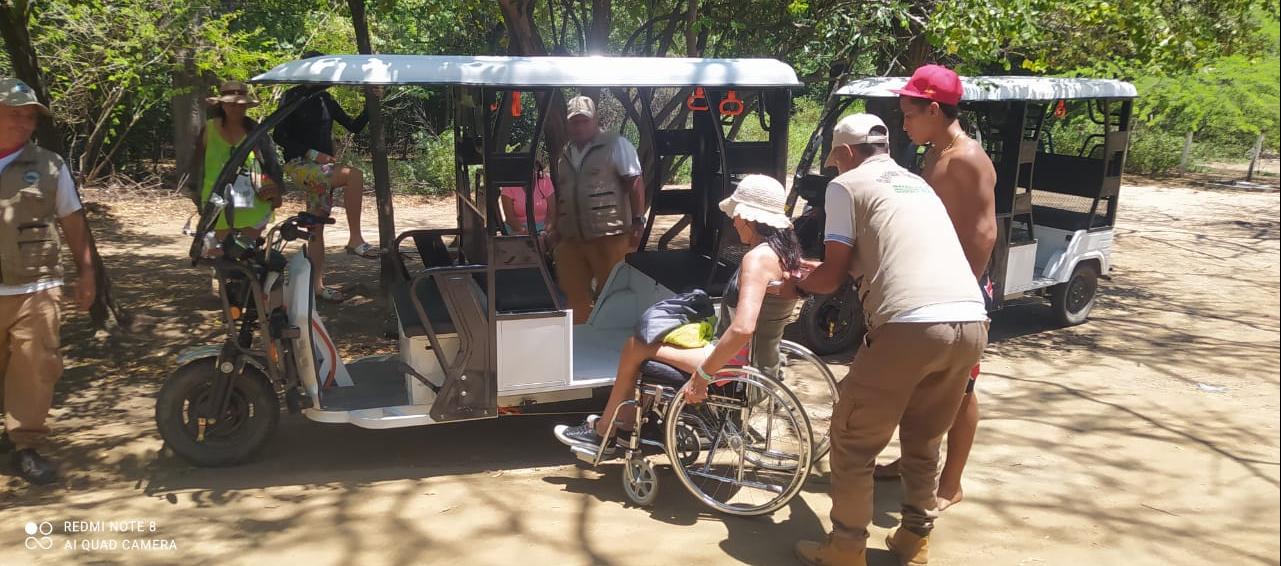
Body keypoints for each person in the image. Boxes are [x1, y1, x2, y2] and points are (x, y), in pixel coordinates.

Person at [794, 114, 988, 566]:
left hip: (911, 325)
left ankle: (844, 547)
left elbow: (833, 272)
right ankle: (913, 541)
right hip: (970, 320)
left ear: (844, 154)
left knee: (852, 440)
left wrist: (795, 282)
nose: (834, 170)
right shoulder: (918, 184)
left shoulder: (846, 185)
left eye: (834, 162)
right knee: (923, 440)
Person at [553, 174, 800, 450]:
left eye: (737, 215)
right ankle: (622, 424)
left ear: (750, 217)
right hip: (763, 362)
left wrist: (704, 376)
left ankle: (604, 432)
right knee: (658, 339)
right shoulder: (785, 253)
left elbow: (743, 328)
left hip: (737, 369)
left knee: (636, 346)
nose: (734, 221)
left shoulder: (756, 260)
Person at [873, 64, 998, 514]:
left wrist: (964, 291)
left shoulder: (966, 158)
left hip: (961, 291)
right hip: (935, 284)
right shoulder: (935, 152)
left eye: (909, 113)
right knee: (921, 381)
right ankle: (911, 459)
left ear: (932, 109)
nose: (903, 123)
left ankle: (951, 482)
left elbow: (984, 233)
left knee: (960, 388)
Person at [0, 78, 96, 485]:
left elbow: (72, 220)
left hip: (34, 286)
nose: (23, 123)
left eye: (29, 117)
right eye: (14, 115)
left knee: (36, 366)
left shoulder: (50, 167)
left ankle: (26, 445)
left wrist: (86, 271)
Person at [272, 51, 379, 303]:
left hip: (321, 173)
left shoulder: (325, 99)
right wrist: (313, 153)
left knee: (315, 228)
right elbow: (279, 136)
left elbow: (354, 126)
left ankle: (317, 288)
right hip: (300, 165)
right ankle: (355, 239)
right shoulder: (294, 95)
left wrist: (371, 102)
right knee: (354, 176)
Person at [546, 95, 646, 324]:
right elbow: (562, 193)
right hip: (572, 238)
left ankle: (613, 343)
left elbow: (635, 183)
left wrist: (638, 221)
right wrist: (555, 228)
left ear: (595, 120)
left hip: (609, 237)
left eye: (584, 121)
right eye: (574, 122)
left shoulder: (616, 145)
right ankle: (580, 342)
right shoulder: (565, 153)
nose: (579, 126)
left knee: (612, 293)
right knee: (572, 293)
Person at [192, 80, 285, 241]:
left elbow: (269, 163)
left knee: (246, 250)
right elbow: (196, 164)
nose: (236, 108)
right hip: (217, 198)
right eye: (231, 105)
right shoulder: (209, 129)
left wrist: (277, 192)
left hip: (251, 199)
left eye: (241, 105)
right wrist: (195, 192)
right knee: (220, 252)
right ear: (222, 105)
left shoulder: (255, 131)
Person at [500, 159, 554, 235]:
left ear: (537, 167)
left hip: (543, 229)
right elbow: (510, 218)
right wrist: (523, 230)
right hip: (517, 230)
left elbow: (552, 212)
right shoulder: (509, 185)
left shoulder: (545, 181)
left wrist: (547, 228)